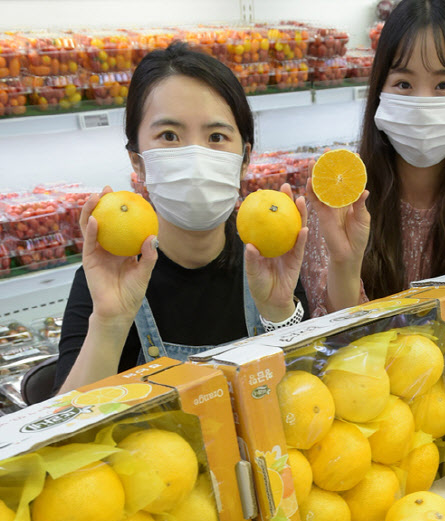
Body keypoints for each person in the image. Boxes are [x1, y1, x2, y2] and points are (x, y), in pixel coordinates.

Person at [54, 41, 309, 393]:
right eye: (169, 136)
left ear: (245, 158)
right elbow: (68, 434)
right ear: (137, 161)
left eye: (216, 136)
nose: (196, 156)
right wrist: (111, 323)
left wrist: (280, 311)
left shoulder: (269, 258)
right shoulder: (107, 278)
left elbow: (306, 403)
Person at [301, 0, 445, 312]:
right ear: (380, 89)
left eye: (444, 84)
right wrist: (345, 265)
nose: (422, 103)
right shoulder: (340, 202)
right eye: (403, 83)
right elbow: (335, 346)